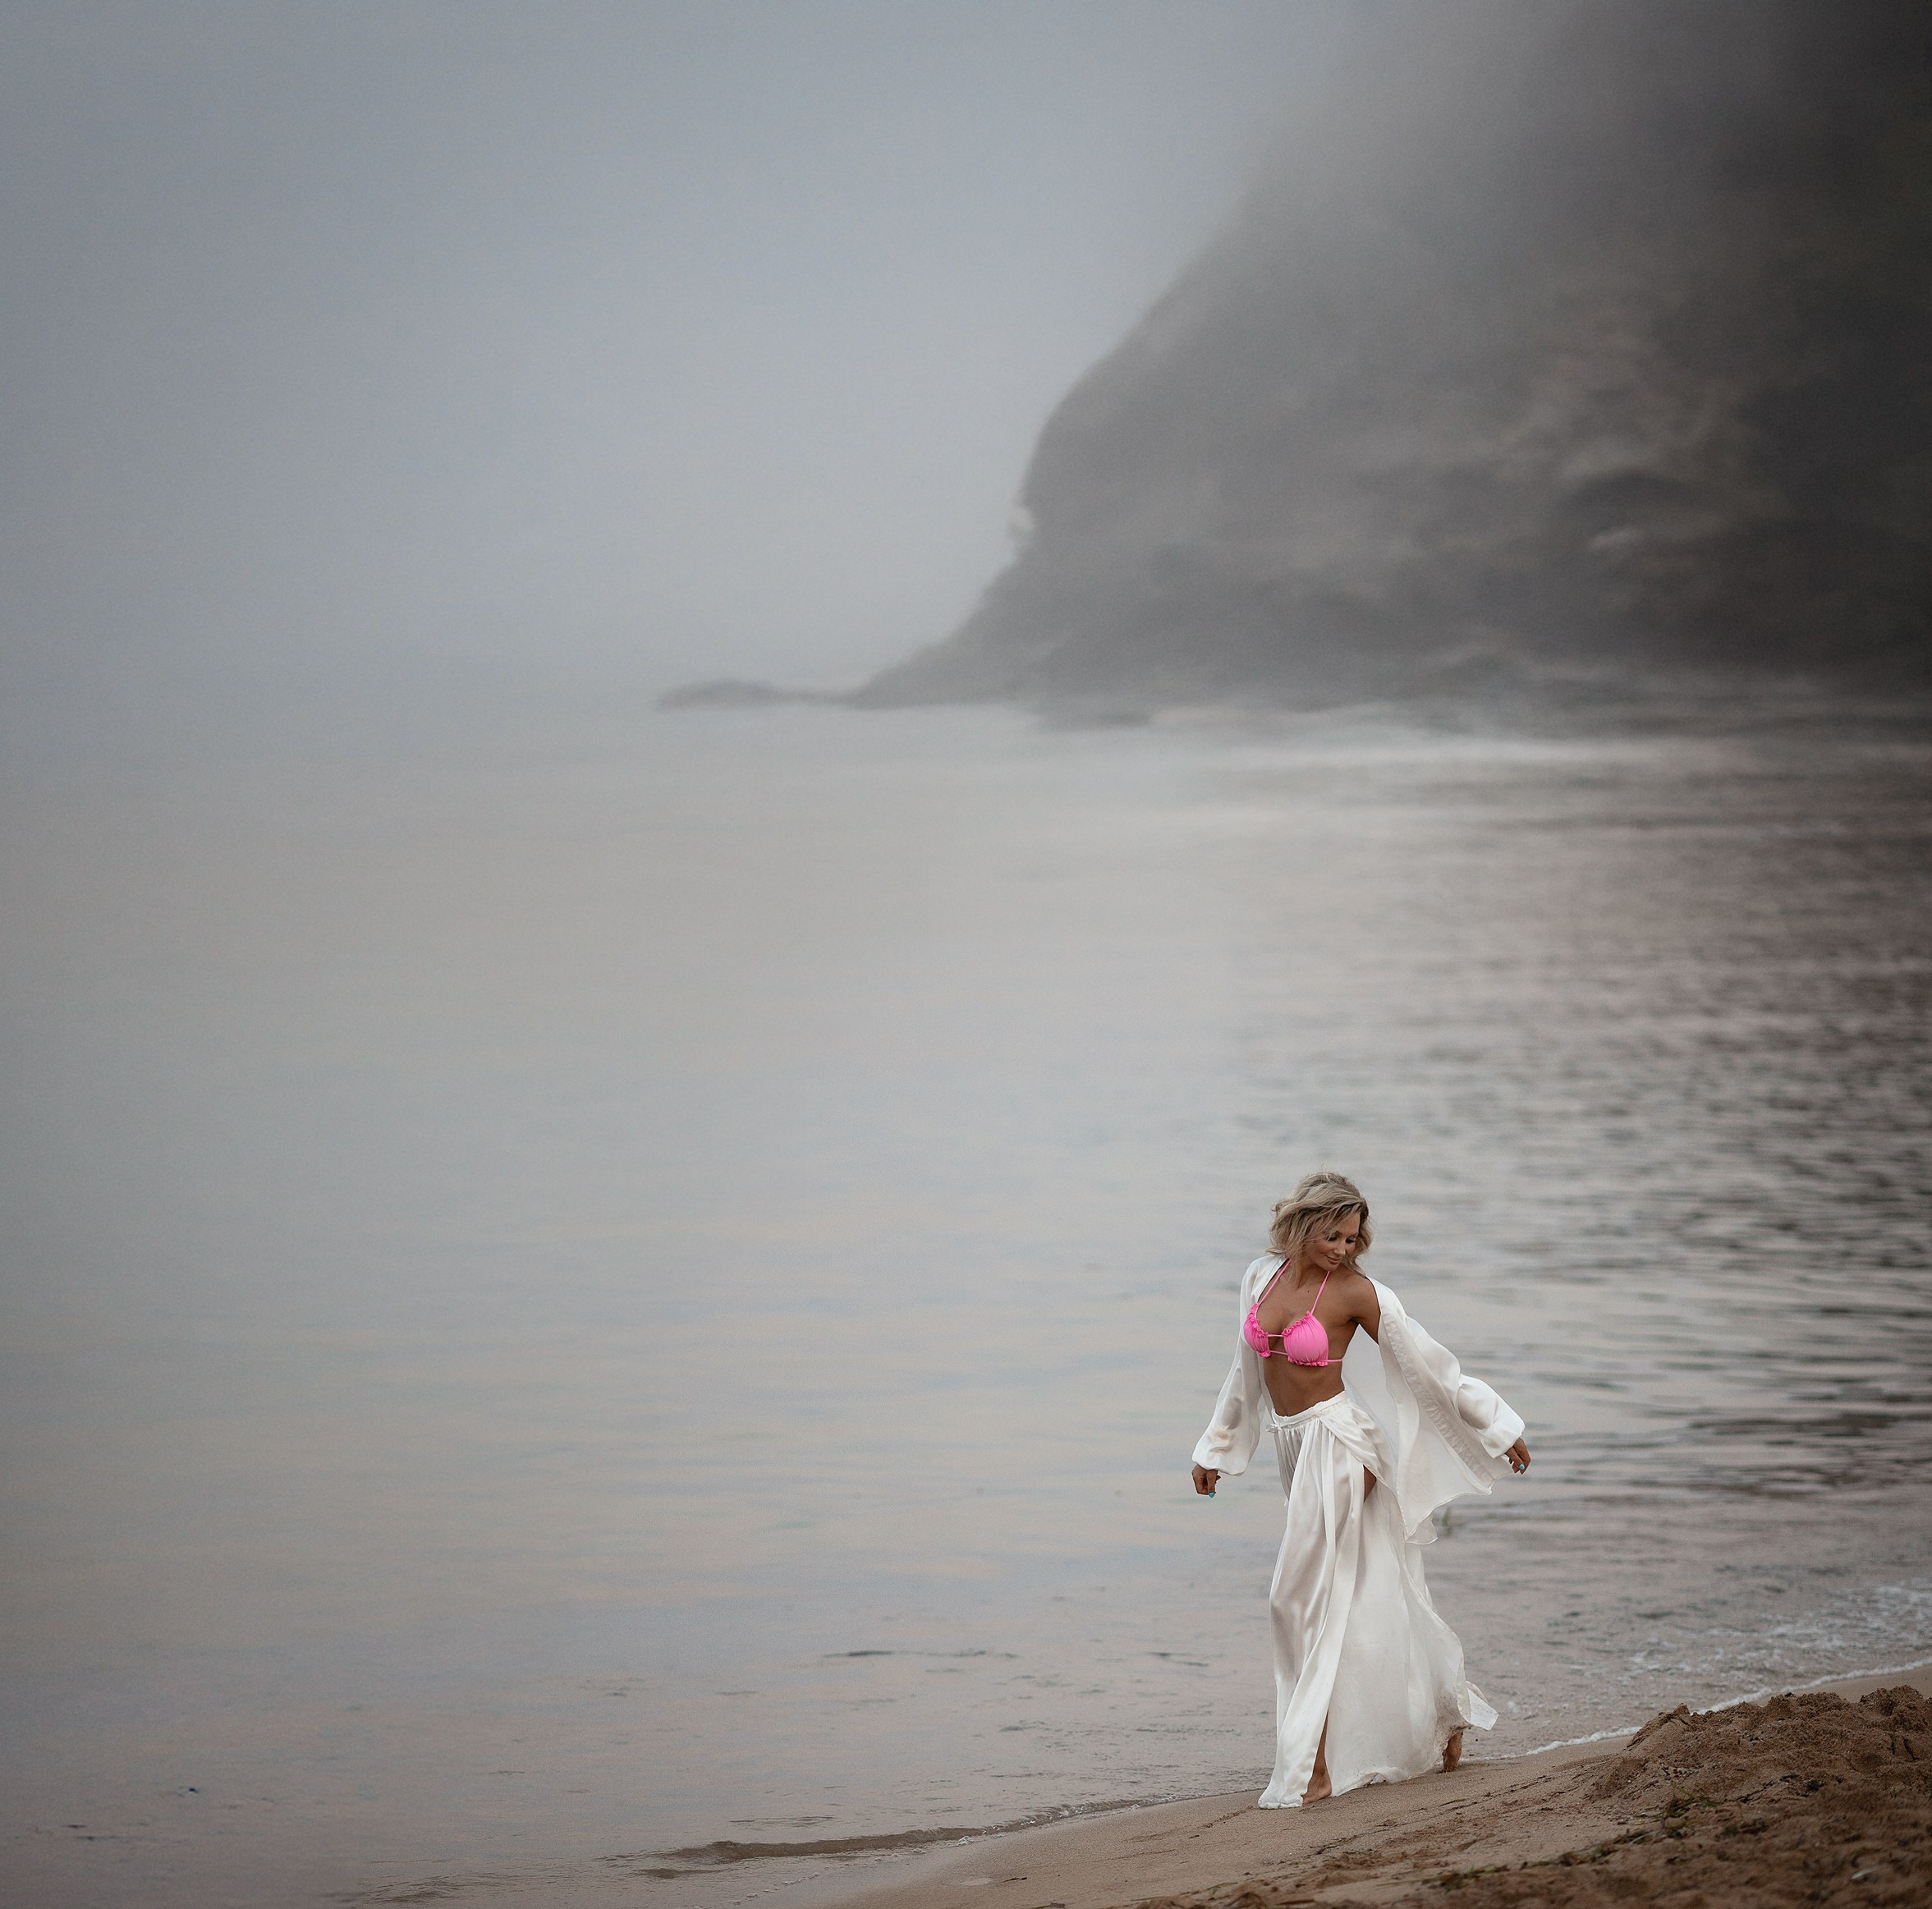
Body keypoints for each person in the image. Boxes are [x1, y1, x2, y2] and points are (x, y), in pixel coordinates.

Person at [1191, 1170, 1530, 1808]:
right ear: (1301, 1224)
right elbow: (1243, 1374)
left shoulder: (1355, 1292)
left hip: (1342, 1446)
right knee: (1372, 1596)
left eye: (1352, 1238)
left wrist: (1496, 1425)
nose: (1343, 1249)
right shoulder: (1259, 1276)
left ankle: (1311, 1769)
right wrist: (1217, 1446)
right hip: (1293, 1447)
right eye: (1332, 1235)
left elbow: (1429, 1364)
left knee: (1293, 1601)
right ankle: (1443, 1714)